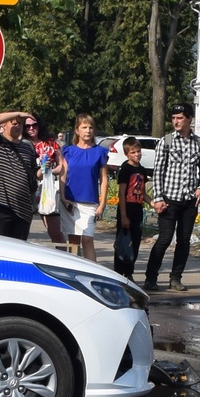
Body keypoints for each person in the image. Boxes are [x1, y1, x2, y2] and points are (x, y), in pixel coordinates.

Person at [142, 109, 200, 288]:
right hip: (169, 200)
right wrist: (158, 198)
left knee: (184, 241)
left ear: (189, 119)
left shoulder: (198, 143)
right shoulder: (166, 141)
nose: (176, 121)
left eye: (180, 118)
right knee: (164, 239)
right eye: (173, 118)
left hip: (189, 201)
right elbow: (158, 172)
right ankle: (151, 278)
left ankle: (176, 278)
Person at [0, 110, 40, 241]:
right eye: (14, 123)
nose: (18, 126)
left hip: (23, 209)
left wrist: (44, 168)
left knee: (18, 253)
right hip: (1, 206)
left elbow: (33, 175)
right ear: (4, 125)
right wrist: (18, 113)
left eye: (20, 124)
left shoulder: (28, 148)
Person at [61, 116, 110, 261]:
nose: (87, 130)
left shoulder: (100, 152)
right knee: (74, 242)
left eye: (90, 127)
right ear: (77, 130)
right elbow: (63, 175)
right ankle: (73, 274)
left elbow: (104, 179)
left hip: (90, 202)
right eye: (84, 127)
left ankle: (92, 274)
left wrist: (102, 204)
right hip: (71, 202)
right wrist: (63, 198)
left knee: (88, 240)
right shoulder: (68, 151)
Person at [109, 136, 150, 277]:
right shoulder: (126, 169)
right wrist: (124, 215)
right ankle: (119, 272)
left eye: (138, 151)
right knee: (123, 242)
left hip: (137, 210)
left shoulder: (143, 170)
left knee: (135, 243)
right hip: (126, 210)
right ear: (127, 154)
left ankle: (129, 272)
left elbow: (142, 192)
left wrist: (153, 204)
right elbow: (122, 193)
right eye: (133, 152)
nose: (136, 154)